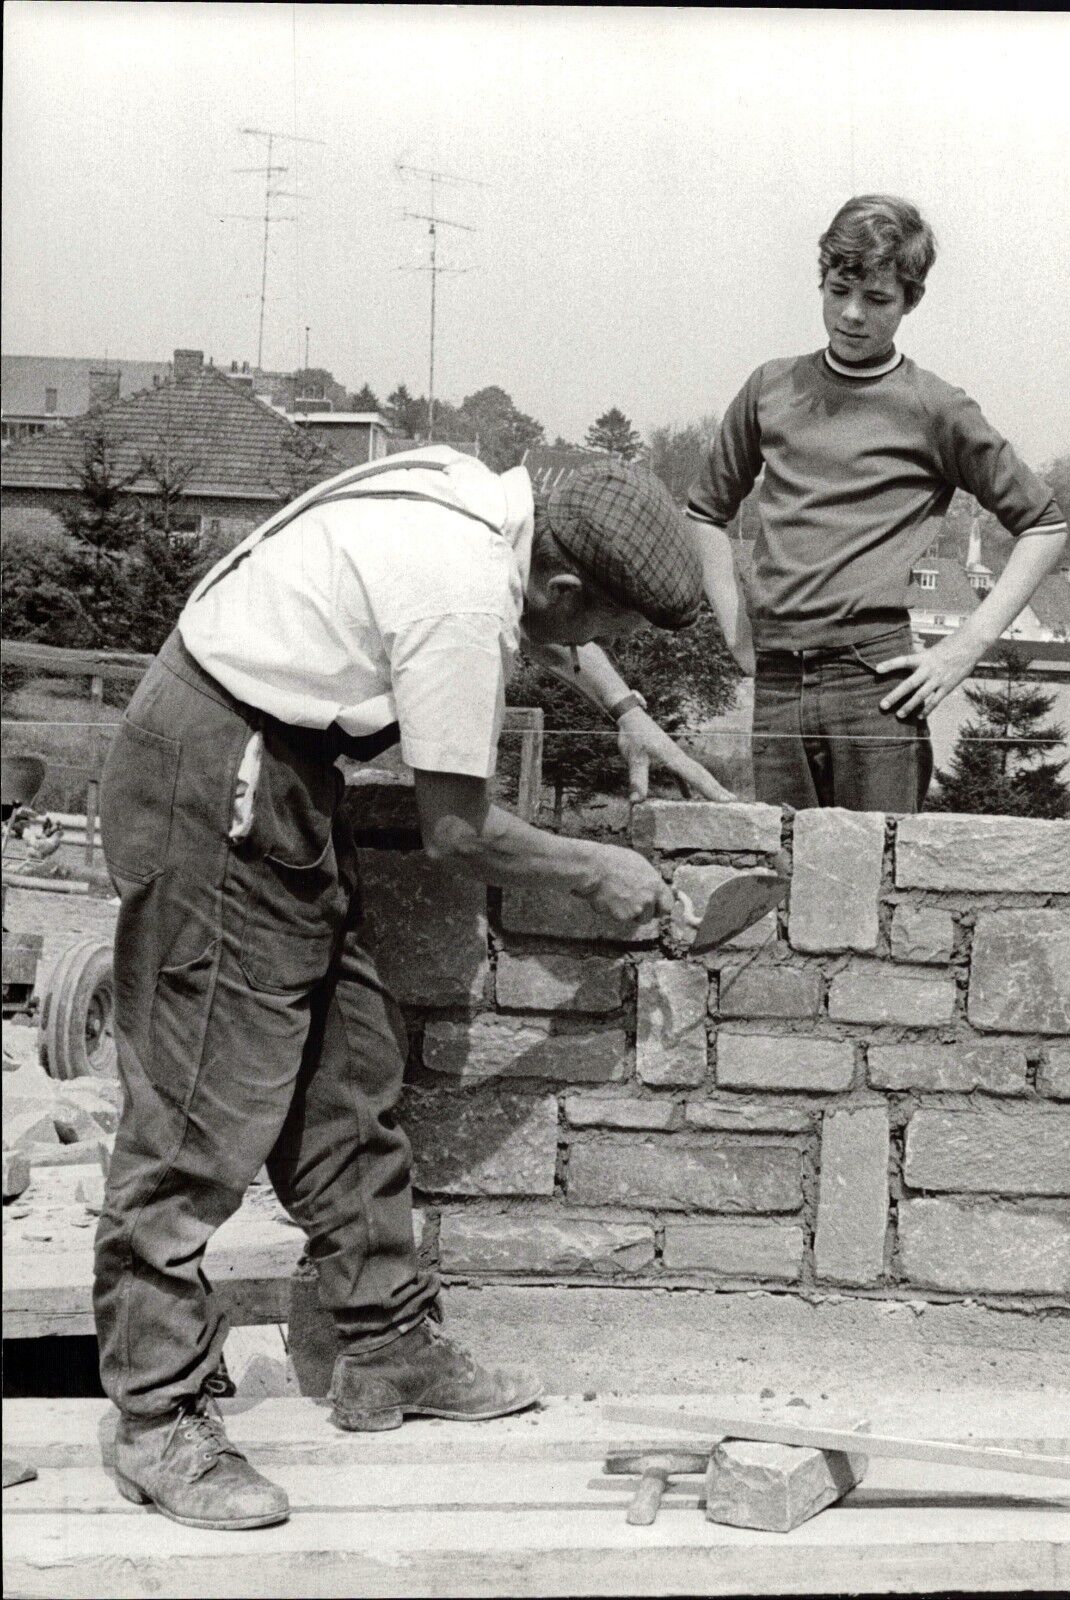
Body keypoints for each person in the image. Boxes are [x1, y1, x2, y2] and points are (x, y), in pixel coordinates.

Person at [93, 446, 732, 1531]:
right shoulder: (460, 594)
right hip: (216, 777)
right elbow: (456, 827)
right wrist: (599, 871)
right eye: (598, 633)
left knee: (347, 1072)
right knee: (200, 1108)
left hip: (277, 772)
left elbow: (537, 613)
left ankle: (384, 1347)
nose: (587, 650)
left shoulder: (480, 499)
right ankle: (156, 1417)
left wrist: (624, 706)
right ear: (563, 590)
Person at [685, 193, 1069, 812]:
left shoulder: (935, 406)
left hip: (877, 680)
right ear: (823, 282)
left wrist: (962, 649)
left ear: (912, 299)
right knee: (787, 874)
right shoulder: (769, 387)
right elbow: (703, 511)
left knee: (878, 883)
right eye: (838, 291)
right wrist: (735, 628)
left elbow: (1046, 526)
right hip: (778, 677)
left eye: (878, 300)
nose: (853, 314)